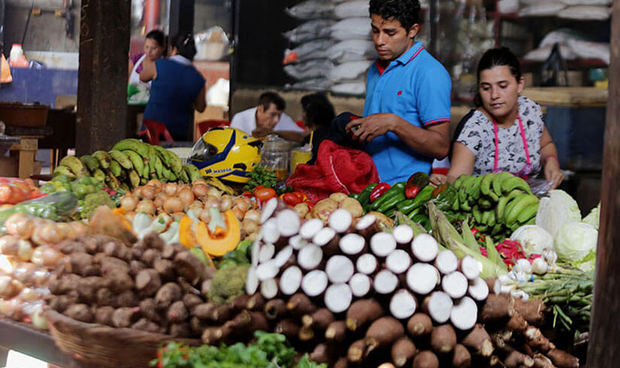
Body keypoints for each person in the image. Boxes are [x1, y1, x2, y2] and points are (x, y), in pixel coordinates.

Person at [344, 0, 451, 184]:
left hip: (405, 192)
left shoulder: (429, 73)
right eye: (375, 30)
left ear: (413, 31)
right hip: (368, 185)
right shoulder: (374, 69)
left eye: (390, 33)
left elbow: (441, 147)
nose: (379, 41)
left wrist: (393, 123)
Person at [444, 47, 563, 188]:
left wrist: (551, 162)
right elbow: (456, 179)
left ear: (520, 84)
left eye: (502, 86)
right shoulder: (474, 128)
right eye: (486, 88)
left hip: (529, 204)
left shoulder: (528, 111)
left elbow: (546, 145)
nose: (494, 95)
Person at [140, 33, 206, 142]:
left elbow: (142, 77)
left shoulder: (159, 65)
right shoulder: (198, 78)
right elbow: (200, 107)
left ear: (173, 49)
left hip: (151, 132)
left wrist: (148, 60)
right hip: (178, 135)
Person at [230, 91, 306, 141]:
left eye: (279, 115)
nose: (276, 120)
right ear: (260, 110)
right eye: (272, 114)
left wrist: (274, 132)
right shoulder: (240, 119)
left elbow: (302, 136)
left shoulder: (282, 118)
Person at [300, 92, 336, 164]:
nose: (302, 115)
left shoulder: (313, 138)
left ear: (312, 114)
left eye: (304, 111)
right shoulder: (332, 132)